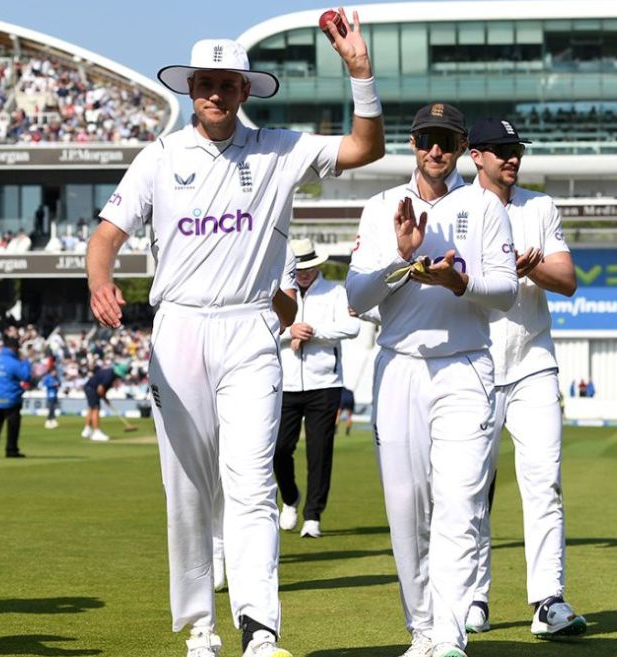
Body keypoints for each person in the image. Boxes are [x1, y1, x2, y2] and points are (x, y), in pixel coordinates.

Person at [87, 20, 385, 657]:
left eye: (229, 85)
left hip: (251, 328)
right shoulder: (160, 157)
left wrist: (360, 71)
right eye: (207, 84)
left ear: (245, 90)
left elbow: (366, 148)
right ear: (191, 88)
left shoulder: (280, 149)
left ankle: (260, 628)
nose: (217, 95)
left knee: (250, 482)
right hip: (179, 328)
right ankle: (201, 626)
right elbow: (106, 234)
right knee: (187, 486)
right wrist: (100, 280)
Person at [346, 102, 517, 657]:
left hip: (465, 364)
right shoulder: (379, 208)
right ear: (412, 144)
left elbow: (507, 291)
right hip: (398, 367)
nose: (435, 150)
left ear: (464, 147)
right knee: (405, 508)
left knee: (461, 502)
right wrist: (402, 258)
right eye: (426, 140)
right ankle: (421, 630)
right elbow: (355, 297)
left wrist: (457, 283)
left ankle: (449, 634)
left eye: (446, 140)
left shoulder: (484, 207)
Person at [463, 117, 587, 639]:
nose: (511, 158)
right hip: (473, 362)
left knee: (545, 484)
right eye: (499, 150)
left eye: (515, 149)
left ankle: (548, 603)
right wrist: (492, 275)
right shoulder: (455, 208)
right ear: (476, 156)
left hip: (534, 361)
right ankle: (471, 599)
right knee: (468, 489)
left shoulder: (540, 207)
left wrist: (529, 268)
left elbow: (568, 281)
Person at [274, 238, 360, 539]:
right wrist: (289, 332)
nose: (303, 273)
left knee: (319, 452)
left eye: (308, 267)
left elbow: (352, 328)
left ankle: (313, 515)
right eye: (298, 268)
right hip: (285, 384)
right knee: (279, 449)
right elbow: (263, 327)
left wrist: (312, 331)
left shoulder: (335, 292)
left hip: (325, 383)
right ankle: (291, 497)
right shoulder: (278, 293)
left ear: (317, 265)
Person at [81, 364, 117, 442]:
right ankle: (96, 432)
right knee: (95, 409)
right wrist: (105, 398)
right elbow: (100, 389)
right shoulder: (110, 375)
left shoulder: (108, 372)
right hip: (92, 389)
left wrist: (105, 399)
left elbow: (102, 389)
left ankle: (87, 430)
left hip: (89, 388)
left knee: (91, 408)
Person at [41, 362, 61, 429]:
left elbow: (59, 383)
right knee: (51, 408)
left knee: (53, 408)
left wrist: (58, 385)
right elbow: (43, 385)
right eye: (54, 372)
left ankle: (51, 420)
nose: (55, 373)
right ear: (51, 371)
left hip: (55, 394)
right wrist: (52, 385)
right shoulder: (47, 377)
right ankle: (50, 420)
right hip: (50, 394)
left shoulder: (56, 378)